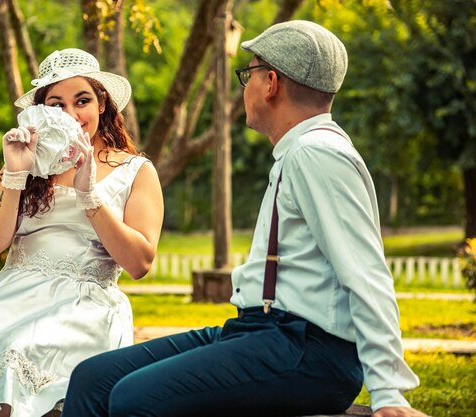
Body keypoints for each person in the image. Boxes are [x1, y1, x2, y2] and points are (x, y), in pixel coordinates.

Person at [60, 21, 430, 417]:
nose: (245, 86)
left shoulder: (317, 154)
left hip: (305, 351)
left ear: (271, 82)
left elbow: (366, 274)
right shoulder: (299, 152)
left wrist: (389, 392)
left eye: (248, 73)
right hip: (262, 333)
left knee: (134, 399)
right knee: (93, 379)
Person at [0, 48, 164, 417]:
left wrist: (90, 197)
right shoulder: (26, 164)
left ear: (102, 103)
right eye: (56, 105)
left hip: (82, 302)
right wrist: (14, 172)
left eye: (82, 100)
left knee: (13, 352)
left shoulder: (136, 170)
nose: (70, 114)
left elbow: (140, 262)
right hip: (12, 291)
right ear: (40, 113)